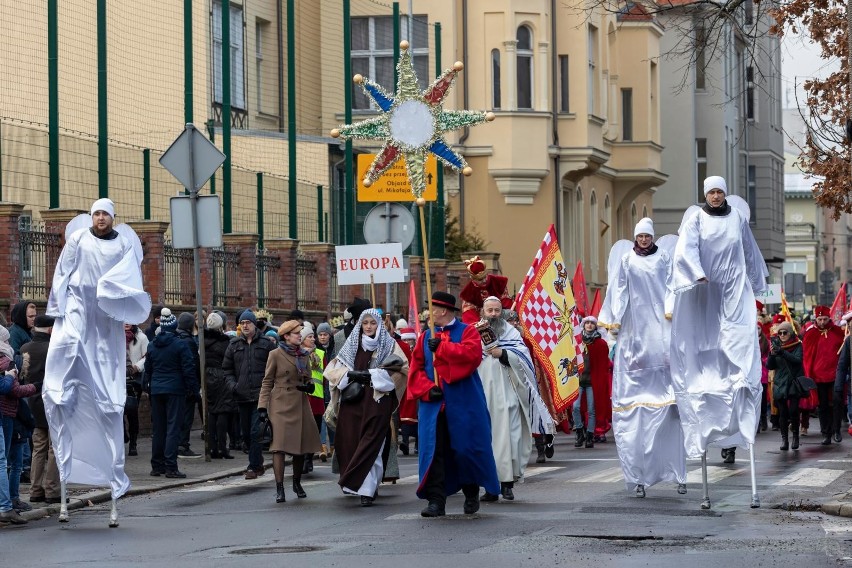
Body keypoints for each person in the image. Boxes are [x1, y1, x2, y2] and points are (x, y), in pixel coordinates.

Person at [44, 198, 151, 525]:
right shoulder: (78, 239)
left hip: (105, 327)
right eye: (96, 214)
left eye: (105, 214)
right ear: (90, 217)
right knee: (65, 369)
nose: (101, 218)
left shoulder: (122, 247)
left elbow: (129, 281)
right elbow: (63, 273)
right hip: (78, 317)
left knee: (108, 401)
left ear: (113, 218)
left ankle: (111, 481)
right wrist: (60, 309)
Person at [670, 176, 767, 465]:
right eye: (711, 192)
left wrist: (754, 281)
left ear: (725, 194)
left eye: (719, 192)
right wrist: (697, 273)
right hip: (706, 288)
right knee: (709, 344)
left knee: (736, 342)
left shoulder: (736, 217)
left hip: (734, 287)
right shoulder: (696, 219)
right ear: (705, 194)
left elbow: (749, 250)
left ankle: (740, 400)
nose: (715, 196)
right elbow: (684, 251)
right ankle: (706, 404)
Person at [598, 218, 687, 497]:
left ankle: (677, 472)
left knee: (669, 410)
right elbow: (618, 290)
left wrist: (671, 312)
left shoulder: (664, 259)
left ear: (653, 237)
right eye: (641, 236)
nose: (645, 240)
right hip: (635, 332)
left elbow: (673, 286)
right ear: (636, 238)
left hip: (661, 329)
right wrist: (614, 320)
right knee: (633, 412)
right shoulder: (626, 260)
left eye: (648, 236)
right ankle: (637, 475)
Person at [407, 291, 500, 517]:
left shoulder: (467, 331)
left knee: (465, 449)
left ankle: (470, 492)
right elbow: (415, 369)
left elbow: (472, 356)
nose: (428, 313)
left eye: (432, 309)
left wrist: (442, 348)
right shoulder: (424, 336)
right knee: (434, 452)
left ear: (443, 310)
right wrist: (428, 388)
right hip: (434, 404)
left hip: (464, 401)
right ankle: (436, 501)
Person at [324, 309, 408, 506]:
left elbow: (402, 371)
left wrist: (374, 375)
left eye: (373, 323)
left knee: (372, 445)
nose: (369, 327)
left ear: (379, 325)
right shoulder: (351, 345)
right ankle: (361, 484)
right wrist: (352, 375)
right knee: (353, 442)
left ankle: (368, 490)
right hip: (353, 403)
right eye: (365, 323)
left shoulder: (389, 345)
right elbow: (333, 370)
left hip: (378, 401)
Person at [476, 296, 538, 502]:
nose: (493, 314)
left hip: (509, 392)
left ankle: (508, 483)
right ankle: (490, 488)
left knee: (510, 438)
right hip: (484, 393)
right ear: (482, 311)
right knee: (487, 440)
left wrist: (502, 353)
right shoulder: (473, 332)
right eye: (489, 310)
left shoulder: (511, 333)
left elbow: (523, 358)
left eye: (496, 310)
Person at [258, 320, 322, 503]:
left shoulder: (304, 354)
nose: (300, 336)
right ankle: (279, 488)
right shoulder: (275, 354)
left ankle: (296, 482)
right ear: (286, 336)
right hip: (279, 403)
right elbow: (267, 381)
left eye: (300, 333)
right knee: (278, 447)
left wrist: (309, 386)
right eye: (296, 333)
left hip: (299, 403)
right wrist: (262, 407)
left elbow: (308, 377)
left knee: (299, 448)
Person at [143, 308, 197, 479]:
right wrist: (193, 390)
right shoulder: (180, 345)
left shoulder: (152, 345)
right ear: (174, 327)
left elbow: (148, 369)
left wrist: (148, 387)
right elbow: (189, 370)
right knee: (173, 428)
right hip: (175, 391)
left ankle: (157, 466)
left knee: (158, 429)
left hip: (157, 390)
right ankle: (171, 467)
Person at [223, 309, 277, 479]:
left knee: (255, 432)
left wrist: (271, 390)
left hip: (261, 396)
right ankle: (258, 461)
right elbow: (227, 370)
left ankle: (253, 467)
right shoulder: (234, 345)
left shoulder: (267, 344)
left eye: (248, 323)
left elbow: (276, 367)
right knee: (245, 434)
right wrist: (233, 386)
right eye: (242, 323)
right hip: (242, 395)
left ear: (254, 325)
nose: (245, 326)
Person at [21, 315, 61, 504]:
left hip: (32, 403)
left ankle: (35, 490)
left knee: (38, 448)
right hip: (52, 402)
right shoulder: (53, 350)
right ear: (51, 330)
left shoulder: (24, 349)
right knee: (54, 449)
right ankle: (52, 491)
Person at [0, 326, 38, 513]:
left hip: (8, 415)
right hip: (9, 415)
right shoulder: (6, 363)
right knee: (9, 461)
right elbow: (11, 389)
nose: (8, 344)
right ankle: (9, 501)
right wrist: (34, 387)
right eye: (6, 341)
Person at [802, 305, 845, 445]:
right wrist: (809, 375)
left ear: (829, 318)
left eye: (825, 319)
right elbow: (807, 357)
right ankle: (825, 433)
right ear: (816, 318)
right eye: (819, 319)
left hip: (835, 375)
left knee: (837, 402)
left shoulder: (838, 332)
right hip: (818, 376)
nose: (822, 322)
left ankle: (836, 430)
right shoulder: (811, 333)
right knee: (823, 405)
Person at [767, 321, 805, 451]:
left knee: (794, 411)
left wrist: (782, 352)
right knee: (782, 413)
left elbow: (797, 360)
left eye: (785, 333)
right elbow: (770, 366)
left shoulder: (797, 344)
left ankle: (795, 436)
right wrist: (772, 354)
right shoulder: (775, 345)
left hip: (793, 381)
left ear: (791, 333)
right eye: (780, 333)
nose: (782, 335)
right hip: (780, 382)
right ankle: (784, 439)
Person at [573, 316, 609, 450]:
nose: (589, 325)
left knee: (591, 409)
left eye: (592, 323)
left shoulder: (600, 343)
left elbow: (603, 365)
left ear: (595, 326)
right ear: (583, 325)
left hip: (592, 382)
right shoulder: (577, 341)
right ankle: (579, 431)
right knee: (575, 407)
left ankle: (589, 436)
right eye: (587, 323)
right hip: (578, 381)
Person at [203, 312, 236, 459]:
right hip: (222, 377)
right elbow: (231, 360)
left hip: (207, 377)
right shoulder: (225, 342)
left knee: (211, 412)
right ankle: (223, 447)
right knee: (223, 412)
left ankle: (212, 447)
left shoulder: (202, 340)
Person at [0, 365, 28, 524]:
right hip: (5, 416)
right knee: (2, 462)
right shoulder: (7, 363)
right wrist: (10, 376)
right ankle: (5, 507)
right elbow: (4, 387)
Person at [176, 312, 202, 458]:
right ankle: (183, 445)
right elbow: (193, 365)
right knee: (186, 417)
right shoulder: (189, 342)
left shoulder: (175, 338)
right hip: (187, 387)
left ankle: (178, 444)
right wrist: (195, 387)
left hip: (177, 385)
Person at [300, 326, 325, 473]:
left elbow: (326, 375)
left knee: (314, 431)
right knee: (303, 431)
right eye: (309, 337)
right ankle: (302, 458)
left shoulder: (321, 353)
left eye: (312, 336)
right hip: (303, 397)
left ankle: (309, 459)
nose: (313, 339)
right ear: (303, 339)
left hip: (317, 397)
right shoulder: (297, 354)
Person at [124, 323, 148, 457]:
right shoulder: (115, 336)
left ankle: (133, 444)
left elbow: (146, 356)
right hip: (118, 379)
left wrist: (136, 367)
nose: (126, 323)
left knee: (132, 411)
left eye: (129, 320)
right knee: (118, 411)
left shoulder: (141, 338)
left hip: (134, 379)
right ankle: (123, 435)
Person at [316, 321, 335, 459]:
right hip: (320, 388)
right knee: (322, 418)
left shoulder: (333, 349)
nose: (322, 337)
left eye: (325, 334)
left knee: (331, 418)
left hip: (332, 387)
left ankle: (333, 446)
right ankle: (322, 446)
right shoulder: (315, 349)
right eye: (320, 334)